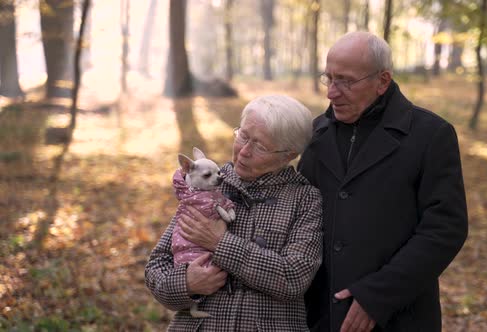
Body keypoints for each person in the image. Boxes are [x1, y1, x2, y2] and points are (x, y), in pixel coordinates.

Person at [298, 31, 468, 331]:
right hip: (321, 315)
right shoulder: (316, 135)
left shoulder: (431, 135)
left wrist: (377, 296)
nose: (331, 93)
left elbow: (445, 229)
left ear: (383, 81)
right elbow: (298, 213)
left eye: (346, 81)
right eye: (329, 78)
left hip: (399, 317)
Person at [145, 95, 323, 331]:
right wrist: (187, 283)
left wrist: (221, 243)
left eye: (259, 145)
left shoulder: (305, 199)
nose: (244, 151)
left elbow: (293, 278)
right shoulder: (205, 184)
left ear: (288, 155)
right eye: (243, 136)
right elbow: (157, 266)